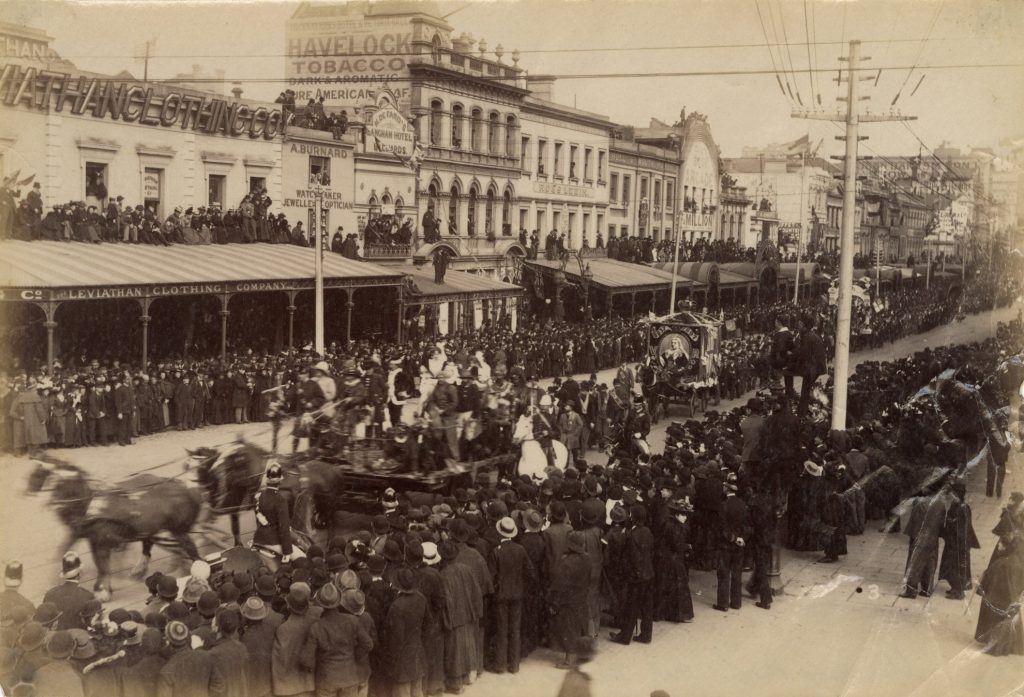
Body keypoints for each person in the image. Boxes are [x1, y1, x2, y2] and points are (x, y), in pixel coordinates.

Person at [300, 583, 373, 697]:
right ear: (338, 601)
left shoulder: (316, 627)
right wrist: (354, 656)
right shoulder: (352, 620)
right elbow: (368, 644)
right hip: (349, 677)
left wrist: (317, 665)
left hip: (326, 679)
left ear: (320, 602)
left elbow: (306, 660)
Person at [489, 516, 536, 674]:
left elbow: (492, 576)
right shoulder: (520, 549)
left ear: (500, 532)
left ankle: (500, 665)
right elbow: (530, 572)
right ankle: (514, 665)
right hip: (517, 594)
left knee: (502, 630)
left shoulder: (496, 551)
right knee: (515, 630)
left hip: (501, 596)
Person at [611, 505, 655, 645]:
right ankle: (646, 635)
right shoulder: (647, 531)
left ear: (633, 518)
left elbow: (633, 558)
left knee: (631, 607)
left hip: (637, 577)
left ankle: (625, 636)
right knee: (647, 607)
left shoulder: (631, 535)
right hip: (649, 573)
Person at [549, 530, 591, 666]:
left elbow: (559, 585)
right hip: (582, 597)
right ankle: (584, 653)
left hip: (568, 600)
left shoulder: (566, 562)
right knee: (581, 626)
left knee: (569, 628)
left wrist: (554, 603)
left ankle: (569, 660)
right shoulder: (587, 558)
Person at [384, 568, 427, 696]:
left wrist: (392, 657)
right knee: (417, 690)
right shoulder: (421, 598)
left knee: (402, 690)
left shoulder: (396, 606)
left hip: (402, 658)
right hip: (417, 651)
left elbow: (396, 638)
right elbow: (428, 623)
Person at [714, 477, 750, 612]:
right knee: (737, 574)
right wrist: (742, 538)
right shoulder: (743, 504)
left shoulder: (723, 505)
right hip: (739, 546)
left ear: (726, 489)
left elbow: (722, 528)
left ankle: (723, 603)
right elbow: (748, 525)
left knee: (723, 574)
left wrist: (733, 538)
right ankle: (736, 602)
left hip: (726, 545)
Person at [251, 463, 292, 568]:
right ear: (280, 482)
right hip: (273, 540)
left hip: (258, 538)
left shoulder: (259, 496)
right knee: (301, 558)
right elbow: (284, 528)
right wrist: (287, 552)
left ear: (267, 480)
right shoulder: (280, 500)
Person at [42, 552, 95, 631]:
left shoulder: (50, 593)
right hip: (79, 637)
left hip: (57, 638)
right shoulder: (87, 595)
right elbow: (91, 623)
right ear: (79, 574)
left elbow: (44, 618)